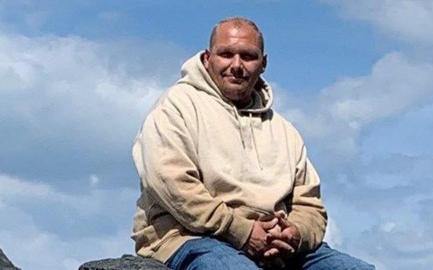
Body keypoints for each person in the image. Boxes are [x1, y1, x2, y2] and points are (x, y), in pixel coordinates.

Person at [131, 17, 375, 270]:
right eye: (226, 54)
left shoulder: (284, 130)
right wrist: (241, 231)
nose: (236, 65)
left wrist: (295, 233)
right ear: (207, 58)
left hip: (275, 244)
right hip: (191, 237)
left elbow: (308, 203)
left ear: (263, 63)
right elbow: (171, 183)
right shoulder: (175, 107)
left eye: (248, 56)